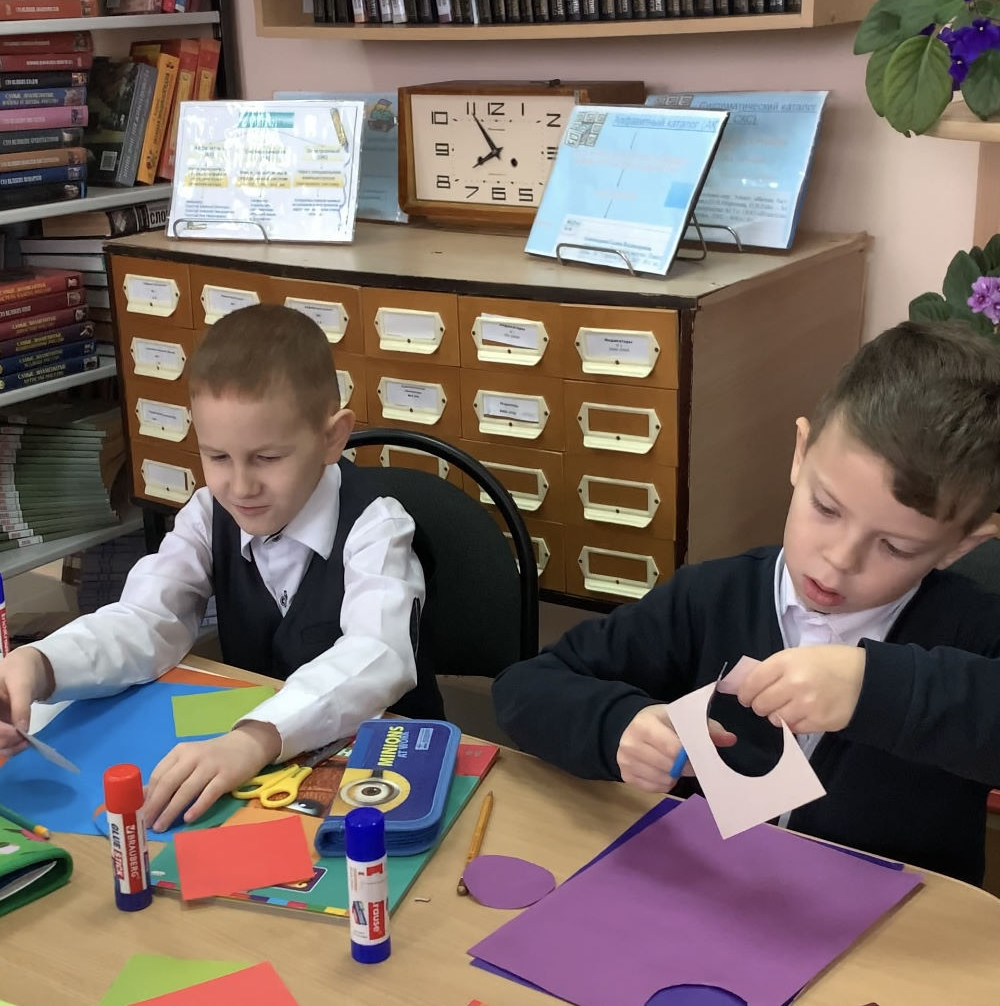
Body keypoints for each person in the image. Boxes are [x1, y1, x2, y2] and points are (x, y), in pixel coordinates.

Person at [493, 320, 1000, 884]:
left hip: (899, 922)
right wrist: (617, 728)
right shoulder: (710, 598)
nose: (838, 559)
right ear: (800, 453)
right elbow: (525, 688)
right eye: (826, 508)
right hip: (714, 896)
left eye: (895, 547)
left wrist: (877, 689)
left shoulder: (975, 630)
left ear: (961, 546)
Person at [0, 304, 441, 830]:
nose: (240, 486)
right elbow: (146, 620)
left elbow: (379, 653)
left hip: (390, 769)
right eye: (217, 457)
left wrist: (254, 738)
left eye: (267, 458)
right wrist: (41, 663)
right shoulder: (210, 513)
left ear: (331, 438)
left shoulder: (377, 526)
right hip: (264, 770)